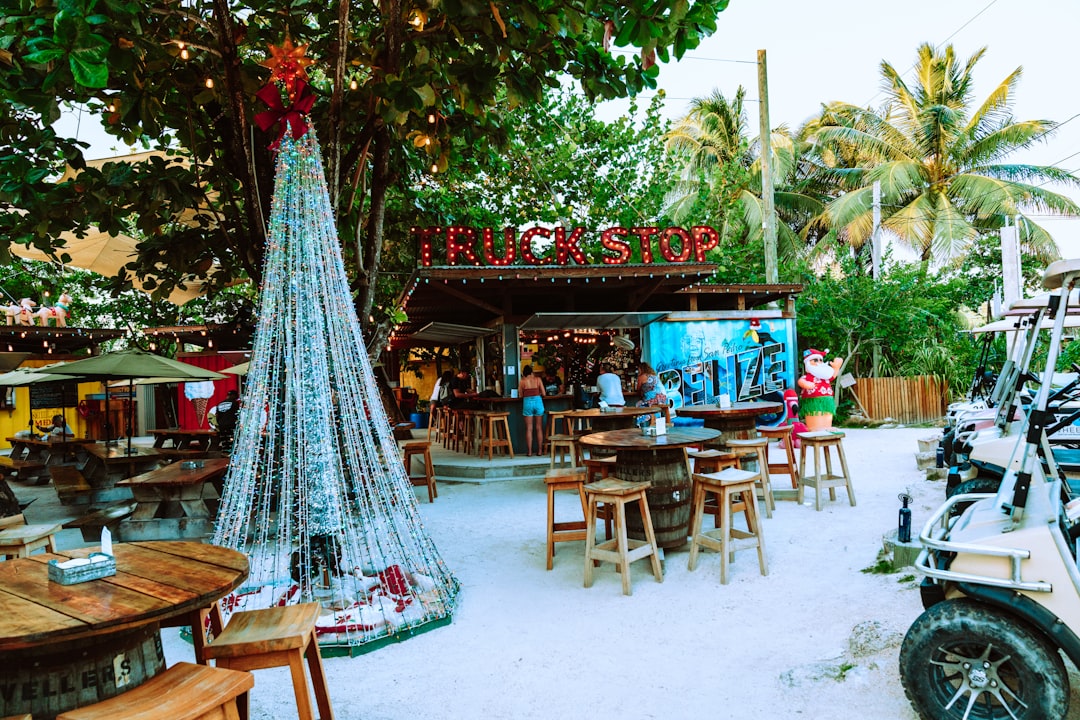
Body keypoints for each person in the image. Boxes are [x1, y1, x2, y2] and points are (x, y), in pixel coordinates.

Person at [519, 365, 546, 456]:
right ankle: (540, 451)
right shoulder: (538, 380)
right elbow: (544, 393)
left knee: (529, 428)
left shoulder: (522, 381)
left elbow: (521, 395)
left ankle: (529, 452)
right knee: (539, 428)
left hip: (527, 403)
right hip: (538, 402)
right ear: (531, 372)